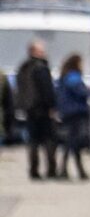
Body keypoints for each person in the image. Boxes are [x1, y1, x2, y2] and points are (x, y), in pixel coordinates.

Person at [16, 41, 55, 181]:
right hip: (42, 110)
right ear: (35, 52)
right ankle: (51, 169)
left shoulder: (23, 67)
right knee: (48, 140)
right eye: (41, 50)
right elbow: (47, 91)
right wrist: (52, 107)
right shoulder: (41, 68)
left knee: (33, 141)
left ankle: (34, 170)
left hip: (29, 110)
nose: (44, 52)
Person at [55, 53, 90, 182]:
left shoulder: (64, 76)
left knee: (71, 141)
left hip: (68, 112)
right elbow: (80, 91)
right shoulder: (73, 77)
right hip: (75, 112)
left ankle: (70, 170)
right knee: (73, 141)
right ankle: (67, 170)